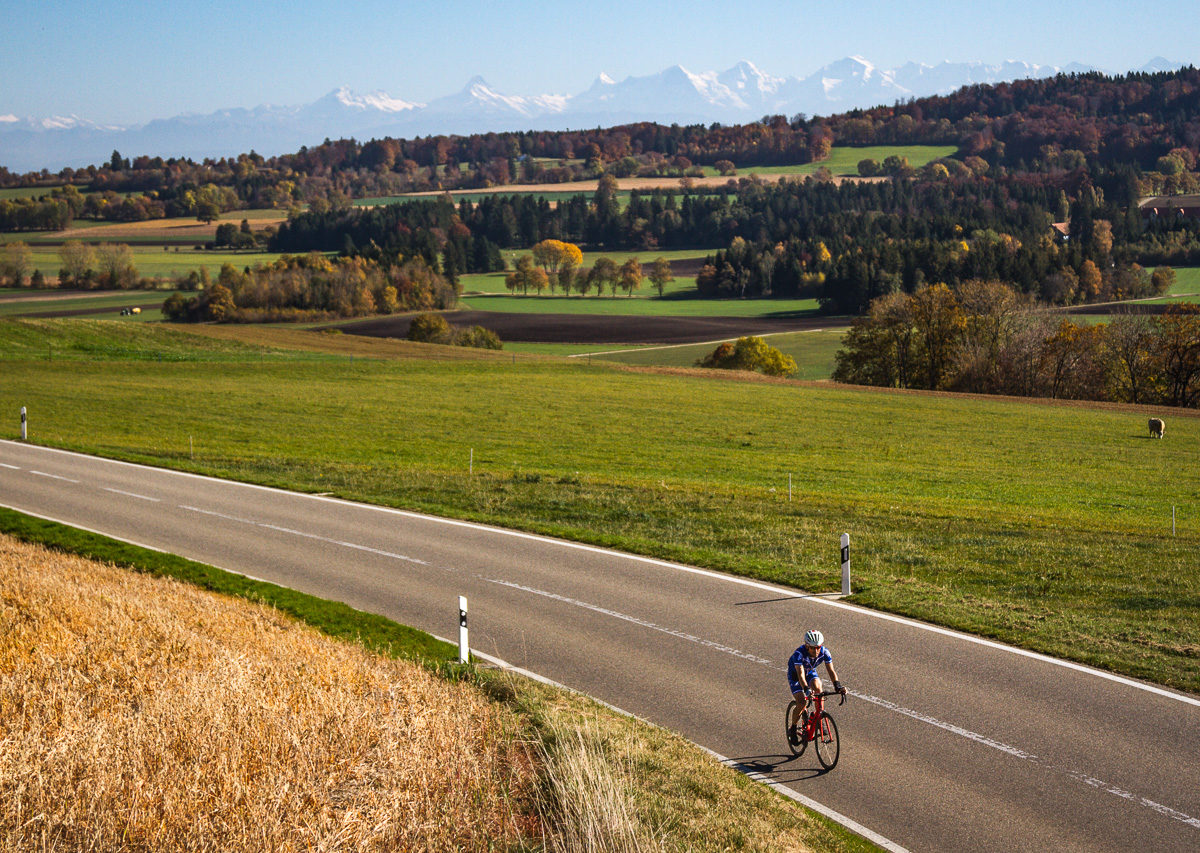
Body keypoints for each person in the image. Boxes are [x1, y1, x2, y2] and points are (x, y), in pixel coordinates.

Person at [787, 629, 845, 745]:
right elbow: (801, 674)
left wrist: (837, 685)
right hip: (796, 676)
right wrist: (806, 689)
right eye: (813, 648)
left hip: (810, 672)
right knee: (801, 702)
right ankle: (793, 728)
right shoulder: (799, 654)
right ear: (807, 646)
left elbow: (831, 670)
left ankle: (819, 717)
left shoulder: (825, 652)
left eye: (818, 647)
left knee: (819, 689)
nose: (816, 650)